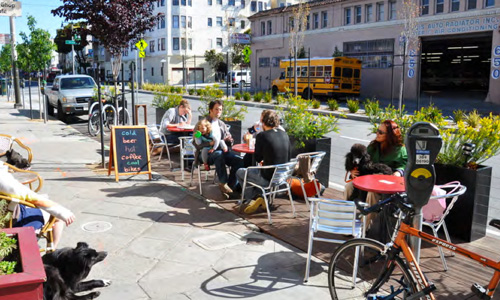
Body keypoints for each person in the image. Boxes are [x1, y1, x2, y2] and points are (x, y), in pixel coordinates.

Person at [344, 120, 407, 225]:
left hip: (386, 183)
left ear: (390, 135)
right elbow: (361, 160)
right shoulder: (373, 146)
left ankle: (365, 226)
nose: (377, 134)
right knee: (349, 187)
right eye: (377, 131)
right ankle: (346, 221)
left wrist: (398, 172)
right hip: (368, 179)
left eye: (381, 132)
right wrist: (352, 170)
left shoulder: (400, 149)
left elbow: (404, 165)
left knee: (372, 193)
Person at [0, 162, 75, 248]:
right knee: (57, 217)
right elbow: (32, 198)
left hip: (9, 211)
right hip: (10, 220)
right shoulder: (3, 180)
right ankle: (51, 250)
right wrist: (61, 211)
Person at [236, 110, 290, 214]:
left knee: (240, 172)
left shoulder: (262, 136)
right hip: (282, 178)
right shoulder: (285, 135)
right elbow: (288, 156)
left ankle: (252, 199)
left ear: (263, 123)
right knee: (256, 173)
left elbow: (257, 158)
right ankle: (260, 197)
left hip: (267, 178)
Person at [193, 100, 243, 197]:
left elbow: (229, 141)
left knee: (239, 160)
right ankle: (223, 182)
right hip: (205, 153)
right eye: (216, 109)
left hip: (220, 150)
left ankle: (230, 187)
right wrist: (209, 143)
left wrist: (229, 140)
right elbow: (195, 143)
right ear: (210, 110)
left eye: (220, 109)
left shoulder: (221, 124)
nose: (218, 111)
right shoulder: (202, 123)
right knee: (218, 155)